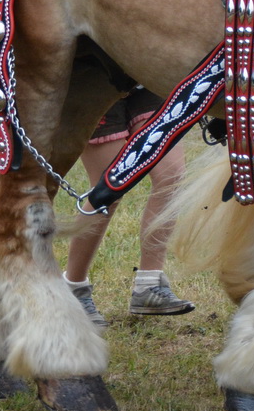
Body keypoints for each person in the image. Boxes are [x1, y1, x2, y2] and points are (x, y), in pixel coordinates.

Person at [60, 89, 196, 326]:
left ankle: (149, 284)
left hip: (144, 75)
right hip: (97, 77)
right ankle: (73, 287)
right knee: (108, 188)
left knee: (171, 176)